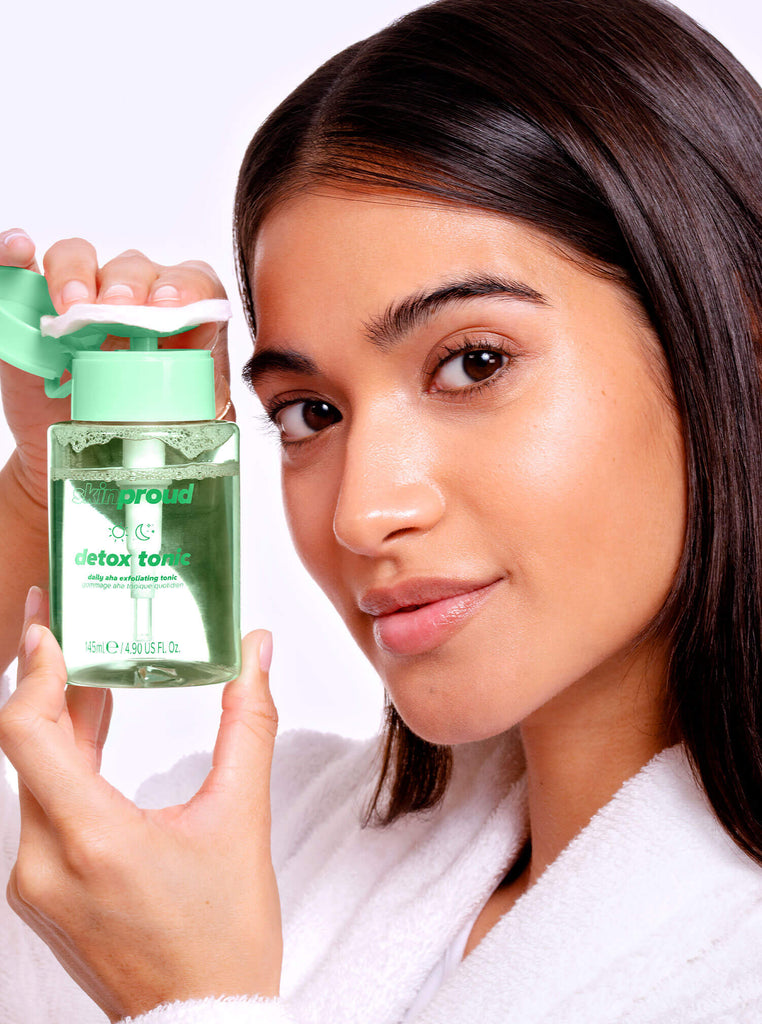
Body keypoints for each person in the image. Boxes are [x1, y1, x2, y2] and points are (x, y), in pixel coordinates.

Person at [1, 0, 762, 1020]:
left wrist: (189, 1001)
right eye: (309, 412)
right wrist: (38, 490)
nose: (362, 511)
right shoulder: (249, 852)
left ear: (735, 334)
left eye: (472, 362)